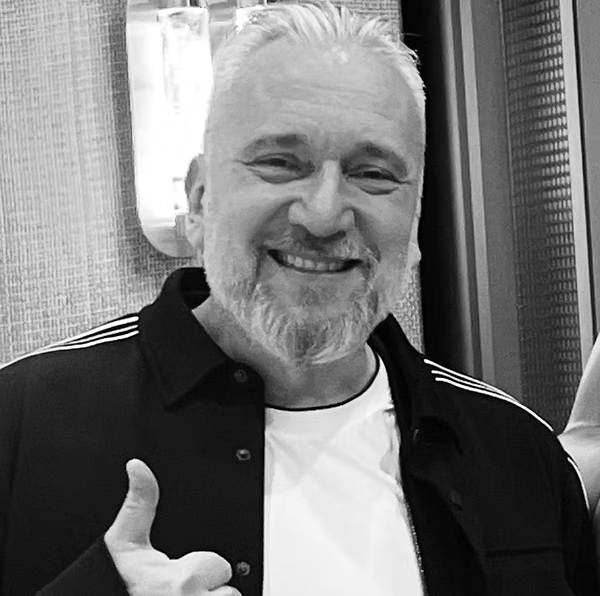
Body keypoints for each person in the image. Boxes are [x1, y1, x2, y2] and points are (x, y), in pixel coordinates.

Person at [0, 1, 597, 594]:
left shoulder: (514, 453)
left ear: (414, 224)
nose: (324, 214)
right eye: (281, 163)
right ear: (200, 199)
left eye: (373, 174)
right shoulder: (23, 426)